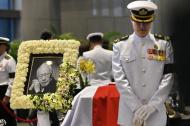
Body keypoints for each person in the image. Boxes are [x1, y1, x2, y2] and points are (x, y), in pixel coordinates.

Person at [112, 1, 174, 126]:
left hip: (155, 113)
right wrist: (136, 108)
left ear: (152, 20)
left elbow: (169, 76)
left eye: (146, 22)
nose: (142, 26)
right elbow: (119, 79)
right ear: (131, 20)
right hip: (129, 113)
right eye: (138, 21)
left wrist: (151, 106)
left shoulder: (163, 44)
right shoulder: (120, 45)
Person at [0, 37, 17, 126]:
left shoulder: (9, 60)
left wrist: (7, 95)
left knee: (6, 116)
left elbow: (13, 80)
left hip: (5, 91)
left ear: (5, 47)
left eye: (0, 45)